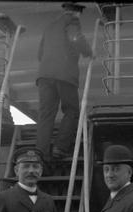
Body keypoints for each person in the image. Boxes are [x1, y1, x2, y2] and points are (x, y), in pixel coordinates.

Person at [36, 2, 93, 161]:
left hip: (44, 76)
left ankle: (41, 152)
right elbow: (75, 38)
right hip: (65, 75)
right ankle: (60, 147)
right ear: (76, 13)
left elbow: (40, 54)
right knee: (72, 110)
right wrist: (89, 52)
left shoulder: (49, 26)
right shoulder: (72, 22)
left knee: (46, 114)